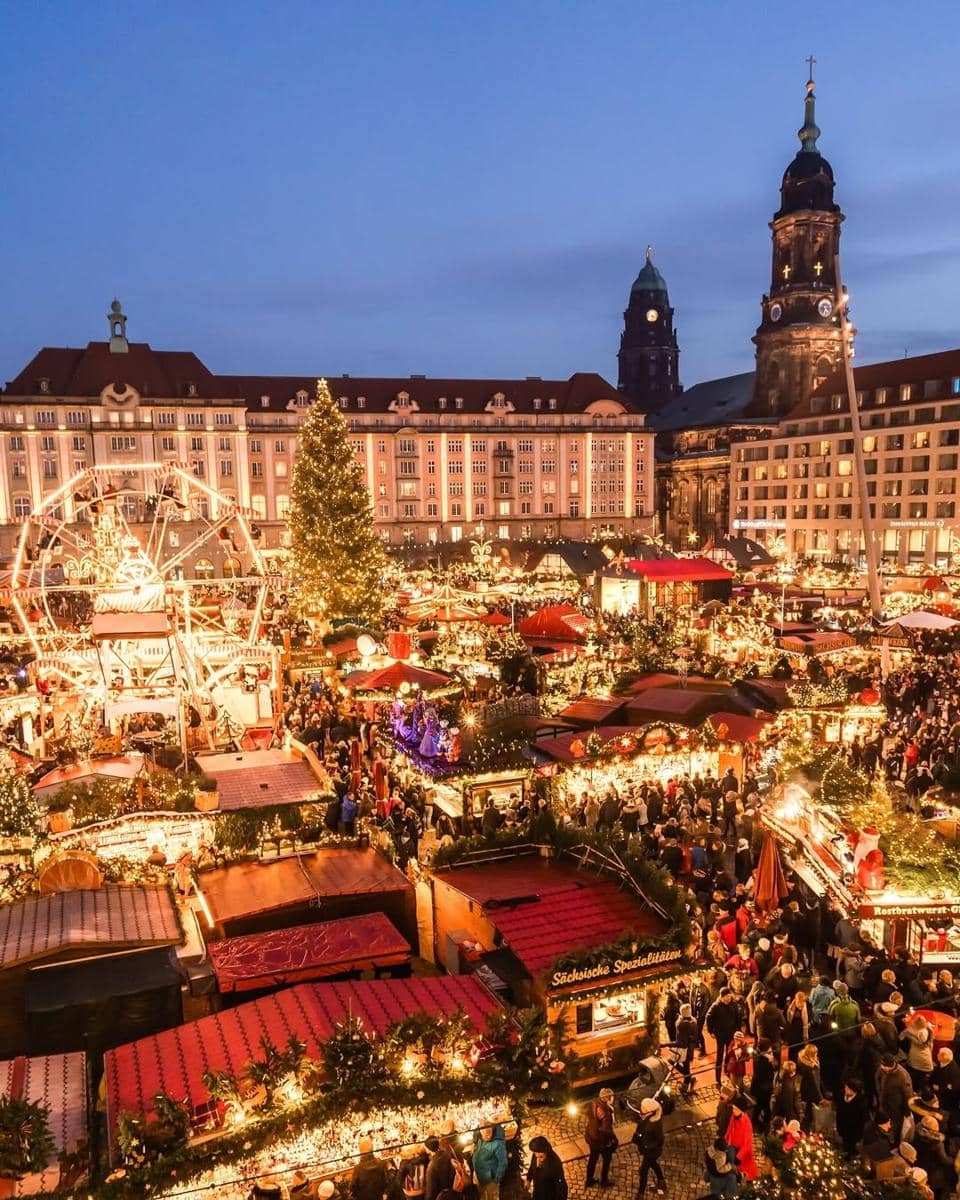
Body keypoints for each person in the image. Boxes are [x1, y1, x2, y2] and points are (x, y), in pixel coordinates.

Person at [631, 1097, 666, 1197]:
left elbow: (660, 1139)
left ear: (649, 1111)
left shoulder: (653, 1124)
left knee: (643, 1171)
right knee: (654, 1164)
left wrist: (649, 1146)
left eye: (643, 1107)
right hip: (649, 1149)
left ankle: (641, 1194)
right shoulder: (649, 1117)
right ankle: (661, 1181)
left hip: (650, 1151)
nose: (641, 1108)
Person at [706, 990, 741, 1085]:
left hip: (731, 1034)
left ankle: (727, 1070)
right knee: (720, 1056)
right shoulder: (716, 1006)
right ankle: (717, 1078)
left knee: (729, 1053)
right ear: (722, 997)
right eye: (727, 996)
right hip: (720, 1035)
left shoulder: (733, 1005)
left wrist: (738, 1030)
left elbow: (738, 1017)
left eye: (730, 996)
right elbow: (708, 1017)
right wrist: (711, 1031)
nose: (729, 998)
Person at [584, 1088, 617, 1187]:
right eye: (612, 1097)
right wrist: (613, 1140)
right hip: (601, 1141)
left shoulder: (594, 1103)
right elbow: (606, 1129)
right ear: (608, 1099)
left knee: (593, 1159)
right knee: (606, 1160)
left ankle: (589, 1180)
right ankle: (604, 1181)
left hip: (592, 1136)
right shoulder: (606, 1111)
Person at [724, 1095, 758, 1181]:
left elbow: (747, 1144)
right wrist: (724, 1141)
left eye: (735, 1109)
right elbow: (729, 1130)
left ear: (741, 1110)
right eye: (733, 1108)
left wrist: (738, 1157)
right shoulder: (734, 1116)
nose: (733, 1110)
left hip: (743, 1154)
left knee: (746, 1173)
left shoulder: (747, 1124)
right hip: (735, 1148)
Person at [472, 1124, 507, 1200]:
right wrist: (474, 1142)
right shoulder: (480, 1139)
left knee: (492, 1198)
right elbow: (476, 1129)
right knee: (482, 1197)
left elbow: (503, 1163)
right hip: (479, 1177)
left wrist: (496, 1180)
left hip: (491, 1179)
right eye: (485, 1135)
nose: (488, 1136)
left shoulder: (497, 1144)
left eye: (489, 1134)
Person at [351, 1136, 390, 1200]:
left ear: (360, 1151)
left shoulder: (358, 1169)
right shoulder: (381, 1163)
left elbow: (353, 1189)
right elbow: (386, 1183)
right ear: (372, 1148)